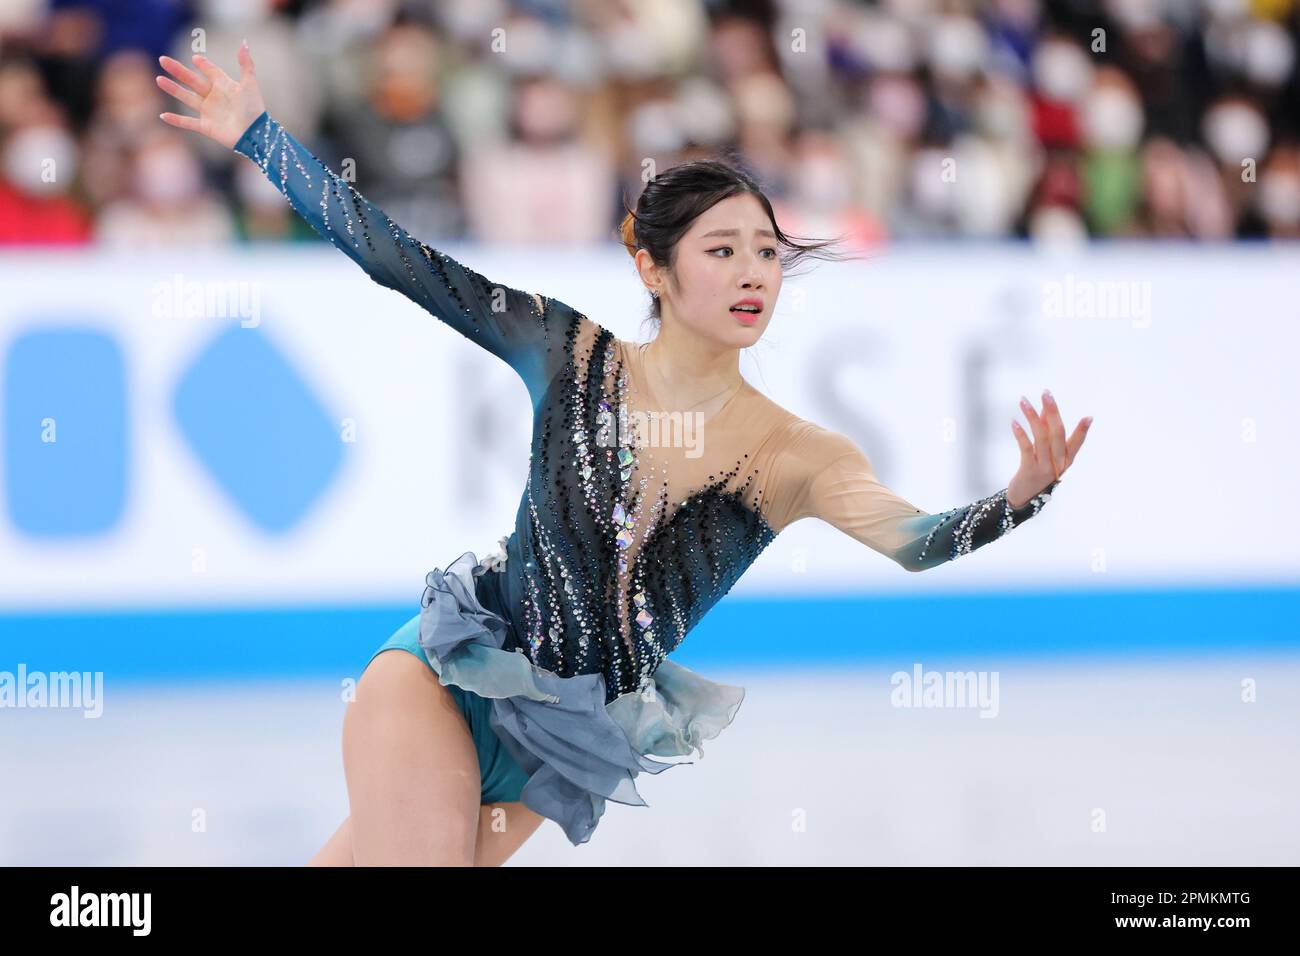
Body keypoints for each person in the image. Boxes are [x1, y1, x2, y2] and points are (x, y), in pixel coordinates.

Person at [157, 44, 1092, 866]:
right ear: (652, 266)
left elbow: (914, 541)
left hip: (556, 739)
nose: (751, 273)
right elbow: (397, 259)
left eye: (765, 252)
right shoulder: (566, 353)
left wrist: (1020, 498)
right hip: (441, 685)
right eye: (721, 250)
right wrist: (259, 136)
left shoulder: (794, 455)